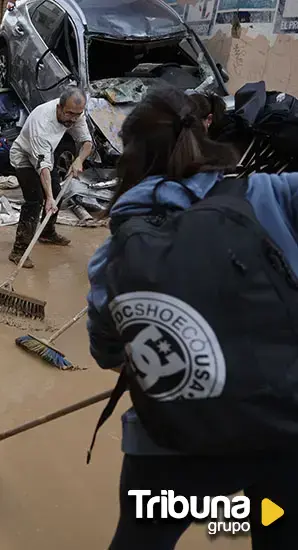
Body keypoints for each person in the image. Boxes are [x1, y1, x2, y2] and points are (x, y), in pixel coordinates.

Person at [86, 86, 297, 549]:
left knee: (142, 542)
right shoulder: (270, 194)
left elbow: (106, 349)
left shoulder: (119, 248)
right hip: (282, 428)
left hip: (172, 443)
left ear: (133, 154)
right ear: (204, 134)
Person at [7, 86, 93, 267]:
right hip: (24, 156)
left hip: (46, 154)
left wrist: (79, 160)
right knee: (36, 200)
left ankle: (47, 233)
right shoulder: (43, 123)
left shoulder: (76, 113)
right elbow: (43, 166)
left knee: (56, 191)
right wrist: (49, 199)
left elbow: (86, 142)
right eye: (69, 114)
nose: (74, 119)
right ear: (59, 108)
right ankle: (19, 250)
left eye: (78, 114)